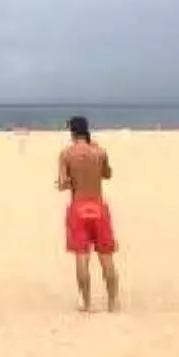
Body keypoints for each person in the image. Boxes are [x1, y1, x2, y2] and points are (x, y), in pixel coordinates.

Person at [57, 116, 119, 312]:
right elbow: (108, 174)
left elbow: (63, 184)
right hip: (98, 207)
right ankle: (112, 302)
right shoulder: (99, 151)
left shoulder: (66, 154)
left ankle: (87, 303)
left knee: (81, 256)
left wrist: (66, 183)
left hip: (78, 207)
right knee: (106, 257)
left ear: (72, 133)